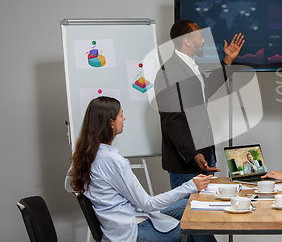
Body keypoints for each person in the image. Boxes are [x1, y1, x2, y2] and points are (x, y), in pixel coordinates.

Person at [65, 96, 215, 242]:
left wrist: (105, 199)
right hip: (133, 230)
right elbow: (147, 203)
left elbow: (69, 185)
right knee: (195, 224)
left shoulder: (84, 155)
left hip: (132, 216)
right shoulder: (112, 160)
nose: (123, 119)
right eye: (121, 115)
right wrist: (191, 185)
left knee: (191, 205)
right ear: (111, 123)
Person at [154, 20, 244, 189]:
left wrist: (227, 60)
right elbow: (171, 120)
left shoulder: (191, 67)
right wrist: (193, 154)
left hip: (204, 155)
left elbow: (205, 89)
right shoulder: (168, 72)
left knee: (206, 211)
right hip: (186, 164)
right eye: (200, 36)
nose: (203, 41)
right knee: (187, 213)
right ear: (187, 40)